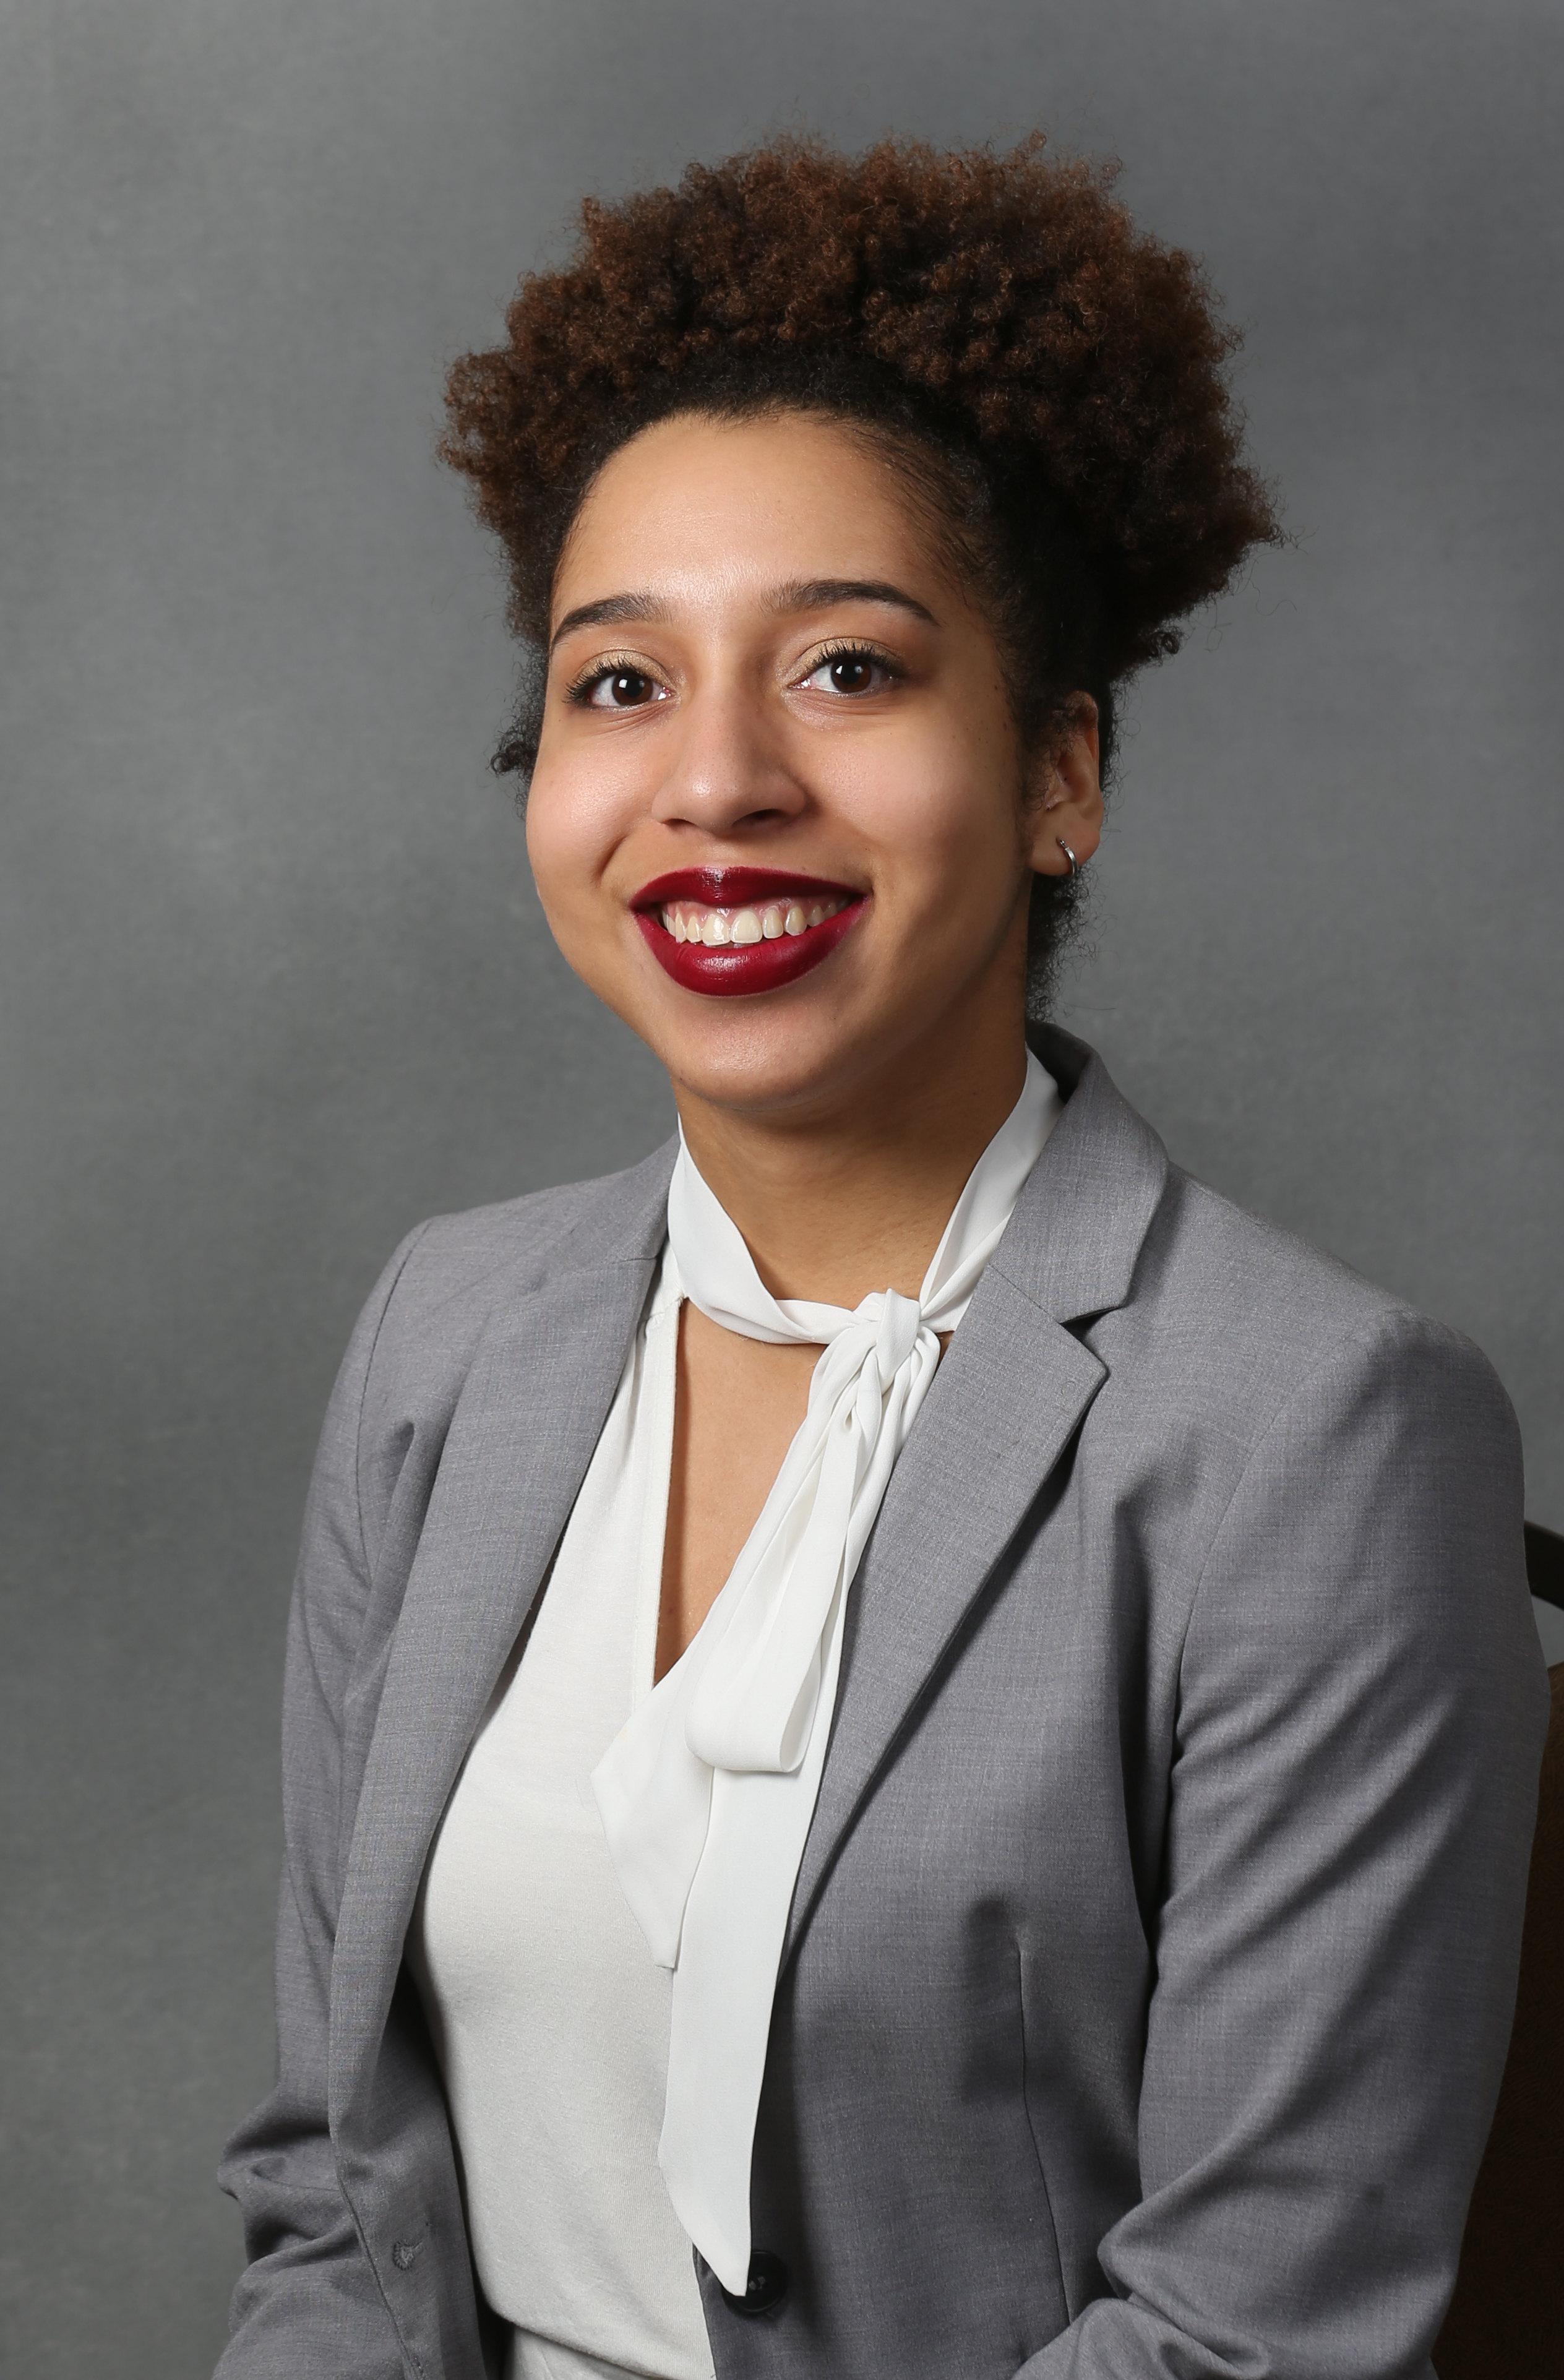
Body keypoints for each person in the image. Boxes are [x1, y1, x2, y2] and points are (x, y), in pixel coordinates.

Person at [215, 139, 1548, 2380]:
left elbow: (1256, 2341)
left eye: (846, 668)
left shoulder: (1320, 1430)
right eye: (619, 685)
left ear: (1060, 775)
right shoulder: (447, 1334)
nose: (716, 780)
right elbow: (335, 2203)